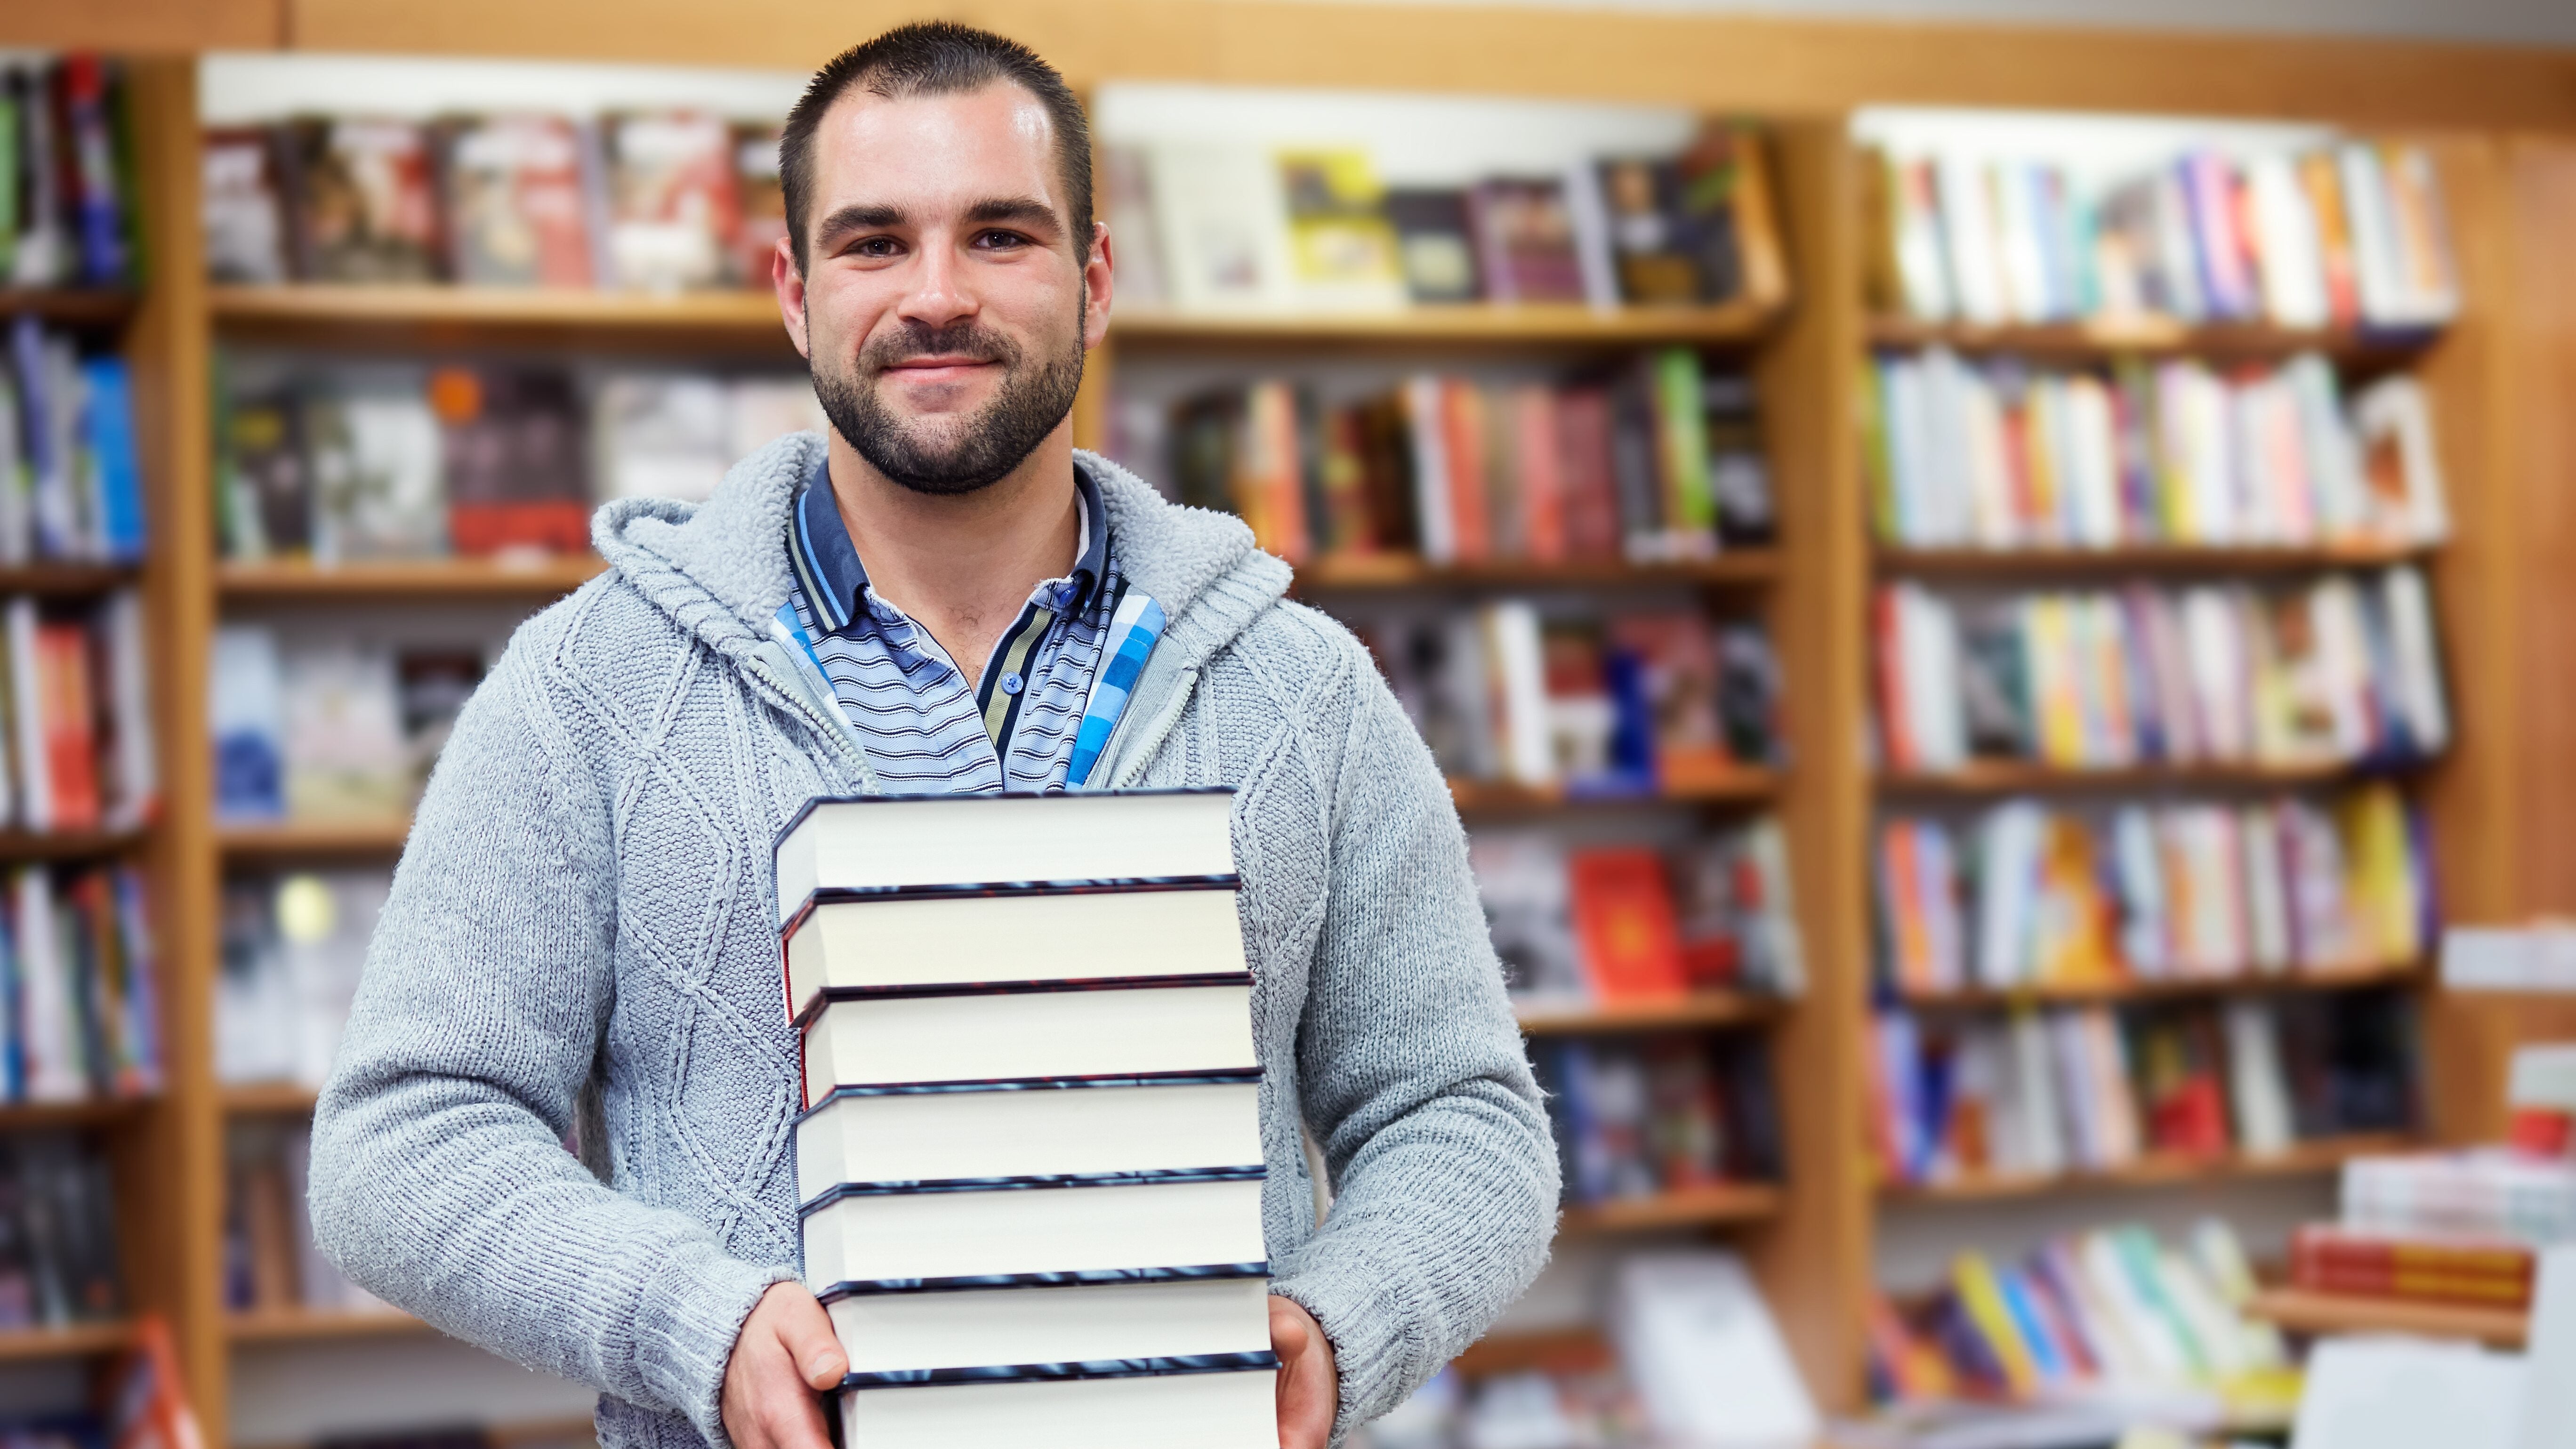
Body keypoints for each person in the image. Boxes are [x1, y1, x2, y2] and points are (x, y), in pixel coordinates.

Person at [307, 21, 1557, 1449]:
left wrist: (1350, 1317)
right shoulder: (587, 690)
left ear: (1093, 282)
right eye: (874, 243)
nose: (938, 294)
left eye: (1001, 235)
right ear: (794, 293)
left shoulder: (1302, 689)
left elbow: (1464, 1116)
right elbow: (397, 1143)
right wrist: (690, 1324)